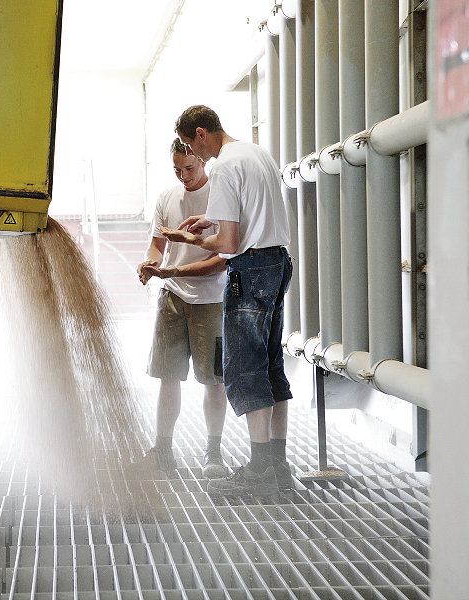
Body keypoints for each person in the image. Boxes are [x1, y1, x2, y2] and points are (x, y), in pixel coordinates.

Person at [161, 105, 293, 498]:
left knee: (246, 369)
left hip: (250, 270)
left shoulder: (222, 167)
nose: (191, 154)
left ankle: (259, 471)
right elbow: (250, 214)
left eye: (189, 145)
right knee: (271, 366)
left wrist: (192, 238)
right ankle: (278, 467)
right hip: (277, 262)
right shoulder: (256, 153)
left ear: (201, 134)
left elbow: (230, 244)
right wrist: (211, 220)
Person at [136, 137, 229, 478]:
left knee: (214, 380)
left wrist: (172, 271)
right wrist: (150, 263)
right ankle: (162, 451)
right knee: (167, 376)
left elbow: (223, 259)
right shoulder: (166, 198)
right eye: (177, 170)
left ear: (202, 161)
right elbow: (157, 246)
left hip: (211, 300)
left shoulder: (220, 196)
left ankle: (213, 453)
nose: (183, 176)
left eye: (189, 168)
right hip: (172, 297)